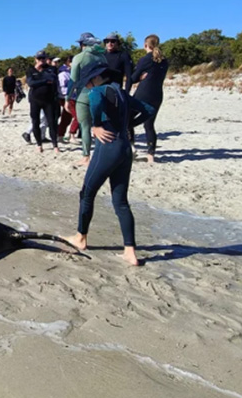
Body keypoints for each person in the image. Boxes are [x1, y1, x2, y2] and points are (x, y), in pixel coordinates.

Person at [62, 62, 155, 267]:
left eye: (87, 82)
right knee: (120, 201)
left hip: (108, 147)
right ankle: (130, 252)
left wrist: (96, 125)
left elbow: (95, 101)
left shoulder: (99, 91)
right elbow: (148, 109)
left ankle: (81, 238)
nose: (87, 87)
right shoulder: (121, 93)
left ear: (96, 78)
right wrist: (128, 125)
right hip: (125, 148)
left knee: (87, 193)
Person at [68, 32, 109, 166]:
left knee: (85, 127)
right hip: (101, 94)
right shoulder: (102, 56)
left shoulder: (79, 57)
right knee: (100, 125)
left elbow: (73, 79)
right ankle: (100, 155)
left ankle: (86, 157)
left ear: (82, 44)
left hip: (83, 96)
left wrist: (68, 98)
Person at [129, 34, 170, 164]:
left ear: (145, 45)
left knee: (128, 118)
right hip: (157, 95)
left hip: (143, 93)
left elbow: (133, 78)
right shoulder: (164, 61)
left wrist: (139, 78)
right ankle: (151, 155)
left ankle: (131, 146)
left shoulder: (145, 59)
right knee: (149, 125)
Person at [24, 51, 60, 153]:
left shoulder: (51, 69)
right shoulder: (30, 70)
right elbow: (31, 83)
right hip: (35, 100)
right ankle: (39, 144)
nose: (41, 60)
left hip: (49, 100)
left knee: (52, 123)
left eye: (43, 58)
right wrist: (44, 81)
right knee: (35, 122)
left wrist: (40, 80)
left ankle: (55, 145)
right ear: (36, 59)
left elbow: (52, 79)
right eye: (39, 58)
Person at [56, 57, 74, 142]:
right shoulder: (63, 74)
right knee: (74, 115)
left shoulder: (71, 72)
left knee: (67, 116)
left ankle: (60, 134)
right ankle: (71, 134)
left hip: (72, 96)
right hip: (65, 97)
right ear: (68, 62)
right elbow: (62, 87)